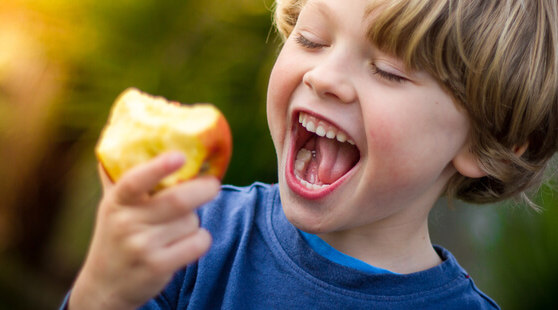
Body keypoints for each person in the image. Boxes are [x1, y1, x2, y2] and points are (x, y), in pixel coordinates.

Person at [62, 0, 558, 309]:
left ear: (485, 141)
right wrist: (103, 294)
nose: (322, 77)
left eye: (388, 70)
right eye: (310, 38)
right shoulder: (192, 238)